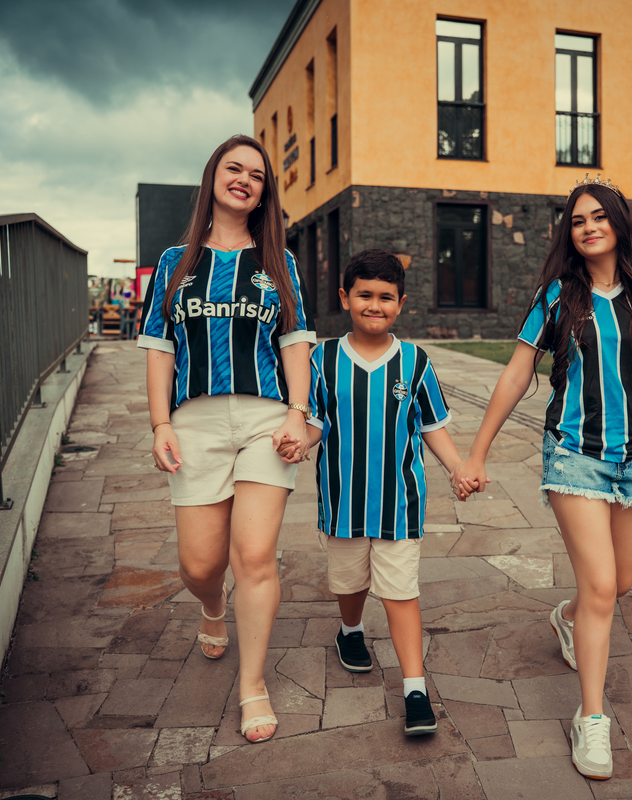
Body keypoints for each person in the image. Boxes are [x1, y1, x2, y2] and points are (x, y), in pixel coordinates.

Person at [451, 177, 632, 780]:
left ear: (619, 224)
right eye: (577, 220)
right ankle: (592, 719)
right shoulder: (557, 297)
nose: (588, 227)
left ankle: (566, 619)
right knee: (601, 587)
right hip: (574, 455)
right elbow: (518, 373)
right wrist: (476, 453)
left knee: (618, 584)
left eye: (598, 217)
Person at [137, 134, 315, 744]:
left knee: (255, 556)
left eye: (256, 175)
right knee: (200, 564)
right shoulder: (174, 262)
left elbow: (295, 342)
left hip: (267, 420)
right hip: (196, 422)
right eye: (234, 169)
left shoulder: (279, 263)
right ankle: (212, 606)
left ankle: (252, 685)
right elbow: (159, 348)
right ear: (213, 177)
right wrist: (160, 423)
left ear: (264, 193)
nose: (244, 180)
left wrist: (298, 414)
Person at [279, 249, 474, 736]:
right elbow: (316, 420)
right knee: (348, 582)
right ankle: (350, 631)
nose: (375, 305)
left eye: (386, 297)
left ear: (401, 303)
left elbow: (432, 426)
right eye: (364, 294)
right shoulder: (322, 360)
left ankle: (415, 689)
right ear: (345, 297)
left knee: (401, 591)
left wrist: (457, 467)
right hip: (342, 502)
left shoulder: (415, 361)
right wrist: (300, 441)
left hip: (399, 504)